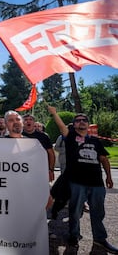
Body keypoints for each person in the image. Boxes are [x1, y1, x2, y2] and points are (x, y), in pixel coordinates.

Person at [48, 106, 118, 253]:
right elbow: (61, 127)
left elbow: (103, 159)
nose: (81, 122)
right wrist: (54, 113)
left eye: (84, 120)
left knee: (98, 212)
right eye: (78, 120)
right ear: (74, 125)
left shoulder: (95, 140)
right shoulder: (70, 137)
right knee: (74, 211)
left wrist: (109, 177)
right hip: (77, 183)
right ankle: (73, 236)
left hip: (97, 183)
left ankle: (100, 239)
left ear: (88, 123)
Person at [22, 114, 56, 182]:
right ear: (22, 123)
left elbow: (51, 154)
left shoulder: (44, 136)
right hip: (22, 170)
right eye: (26, 120)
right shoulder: (18, 135)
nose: (28, 121)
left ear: (34, 122)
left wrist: (51, 170)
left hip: (40, 170)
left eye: (30, 120)